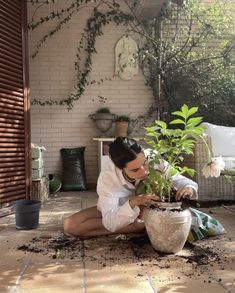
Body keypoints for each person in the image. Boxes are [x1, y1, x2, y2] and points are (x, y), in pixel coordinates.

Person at [63, 137, 198, 237]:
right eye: (135, 170)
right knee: (71, 225)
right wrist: (134, 202)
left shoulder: (153, 158)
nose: (144, 171)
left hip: (151, 208)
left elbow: (183, 181)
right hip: (121, 208)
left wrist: (189, 188)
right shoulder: (108, 177)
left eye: (144, 163)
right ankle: (140, 227)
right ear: (119, 168)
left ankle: (143, 223)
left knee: (159, 175)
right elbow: (110, 223)